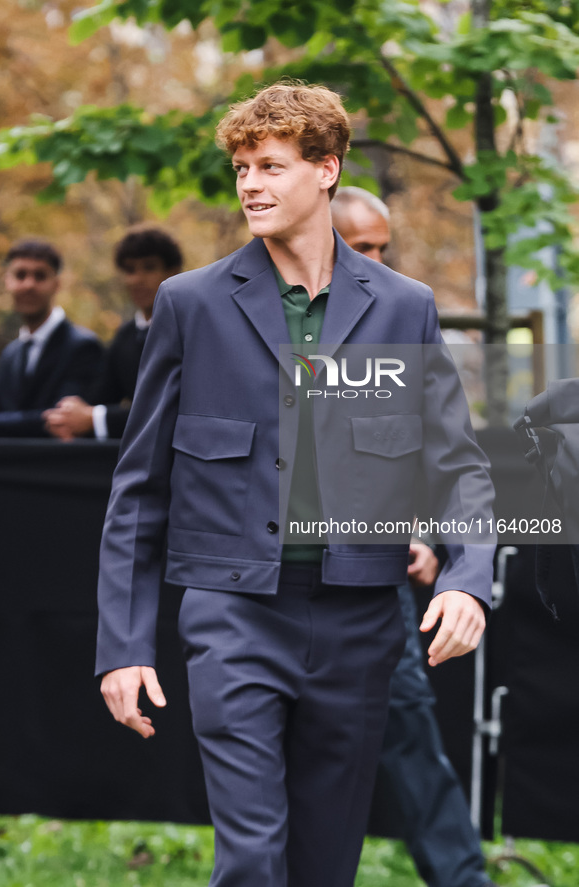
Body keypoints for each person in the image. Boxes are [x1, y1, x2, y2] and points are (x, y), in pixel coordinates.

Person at [96, 82, 495, 887]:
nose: (250, 183)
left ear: (326, 169)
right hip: (234, 616)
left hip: (359, 623)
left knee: (324, 864)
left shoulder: (403, 308)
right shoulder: (191, 304)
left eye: (271, 165)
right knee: (251, 859)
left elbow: (456, 463)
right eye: (242, 166)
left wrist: (468, 578)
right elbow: (139, 488)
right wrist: (125, 643)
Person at [332, 185, 497, 887]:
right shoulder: (260, 314)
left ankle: (463, 880)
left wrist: (423, 535)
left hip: (379, 579)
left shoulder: (400, 315)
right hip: (280, 585)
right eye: (360, 245)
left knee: (408, 733)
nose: (373, 259)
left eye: (380, 246)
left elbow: (428, 448)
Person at [44, 227, 183, 441]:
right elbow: (100, 397)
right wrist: (68, 416)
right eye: (130, 270)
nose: (137, 279)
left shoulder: (193, 329)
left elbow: (177, 407)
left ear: (174, 271)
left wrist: (96, 419)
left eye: (149, 267)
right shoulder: (125, 337)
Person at [0, 239, 103, 437]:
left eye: (40, 276)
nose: (29, 285)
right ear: (8, 281)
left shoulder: (83, 346)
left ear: (56, 284)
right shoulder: (11, 353)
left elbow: (61, 418)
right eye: (20, 275)